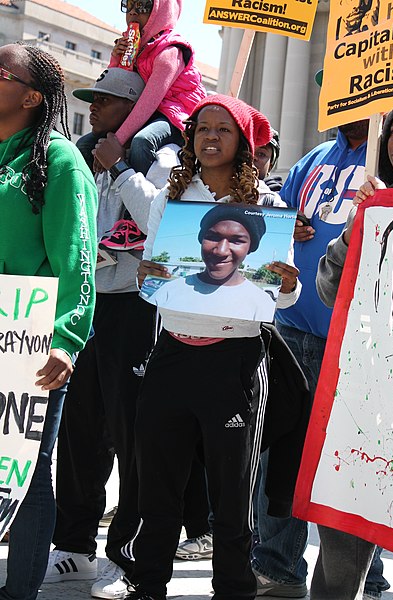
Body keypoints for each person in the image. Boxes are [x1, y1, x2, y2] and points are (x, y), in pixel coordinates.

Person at [124, 94, 301, 600]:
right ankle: (148, 586)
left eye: (223, 129)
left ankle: (231, 590)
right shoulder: (170, 198)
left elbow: (283, 299)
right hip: (172, 354)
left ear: (243, 142)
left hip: (235, 364)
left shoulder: (267, 208)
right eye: (202, 128)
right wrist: (148, 275)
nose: (210, 136)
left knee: (231, 498)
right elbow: (150, 286)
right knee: (156, 489)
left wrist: (284, 282)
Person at [44, 68, 180, 600]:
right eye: (90, 100)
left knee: (132, 434)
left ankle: (127, 556)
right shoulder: (80, 155)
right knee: (78, 431)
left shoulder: (159, 155)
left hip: (137, 309)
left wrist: (121, 169)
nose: (94, 108)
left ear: (134, 106)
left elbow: (164, 221)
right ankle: (73, 546)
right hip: (88, 303)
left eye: (104, 99)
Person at [252, 115, 390, 600]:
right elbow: (275, 226)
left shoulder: (382, 164)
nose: (353, 106)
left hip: (360, 350)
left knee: (355, 467)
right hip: (295, 330)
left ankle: (366, 578)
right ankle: (276, 566)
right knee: (284, 455)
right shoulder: (311, 160)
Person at [0, 42, 97, 600]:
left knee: (27, 472)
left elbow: (77, 258)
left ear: (33, 96)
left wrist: (67, 339)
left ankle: (20, 590)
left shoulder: (61, 163)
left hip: (31, 337)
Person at [78, 0, 206, 176]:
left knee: (141, 141)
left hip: (176, 115)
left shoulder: (170, 52)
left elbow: (148, 103)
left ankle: (140, 195)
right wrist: (116, 59)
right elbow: (115, 88)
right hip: (148, 112)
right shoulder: (136, 44)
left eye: (142, 7)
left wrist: (117, 141)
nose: (132, 13)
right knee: (86, 144)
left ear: (162, 12)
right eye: (128, 6)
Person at [146, 204, 278, 321]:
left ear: (250, 248)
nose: (221, 251)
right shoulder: (169, 291)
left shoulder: (261, 303)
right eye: (213, 238)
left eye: (236, 241)